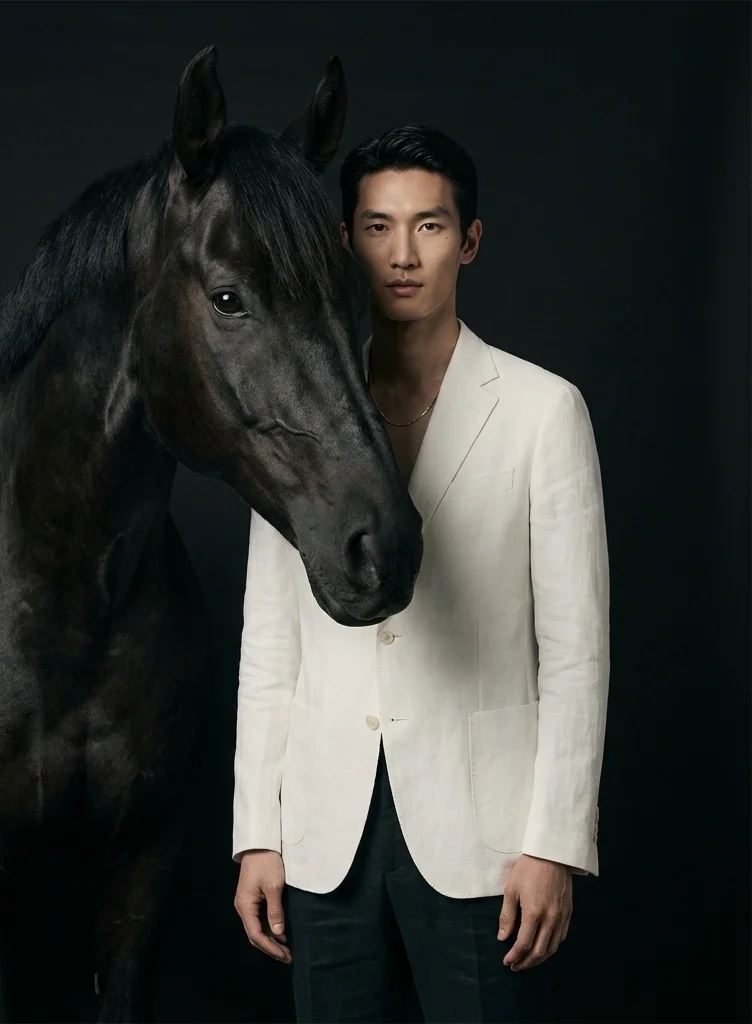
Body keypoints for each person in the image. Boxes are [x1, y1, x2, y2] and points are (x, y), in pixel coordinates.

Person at [231, 125, 610, 1023]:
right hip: (324, 831)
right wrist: (256, 833)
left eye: (430, 227)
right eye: (376, 226)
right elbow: (270, 642)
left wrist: (554, 843)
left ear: (469, 242)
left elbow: (577, 651)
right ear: (346, 240)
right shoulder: (295, 419)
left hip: (487, 839)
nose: (402, 255)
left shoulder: (542, 411)